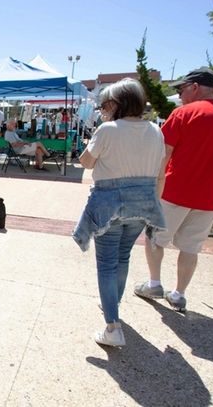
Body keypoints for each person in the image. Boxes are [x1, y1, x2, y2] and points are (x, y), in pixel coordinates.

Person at [134, 67, 213, 312]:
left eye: (181, 88)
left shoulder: (183, 113)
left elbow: (163, 154)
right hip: (209, 196)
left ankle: (154, 283)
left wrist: (153, 188)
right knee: (191, 247)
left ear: (194, 87)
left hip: (174, 190)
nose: (180, 94)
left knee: (155, 238)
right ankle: (178, 294)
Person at [73, 78, 166, 347]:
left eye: (104, 104)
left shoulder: (108, 130)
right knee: (122, 258)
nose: (102, 109)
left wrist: (91, 143)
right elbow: (158, 169)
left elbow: (86, 163)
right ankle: (113, 307)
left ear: (116, 104)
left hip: (109, 204)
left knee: (106, 264)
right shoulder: (155, 131)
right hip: (143, 205)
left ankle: (112, 327)